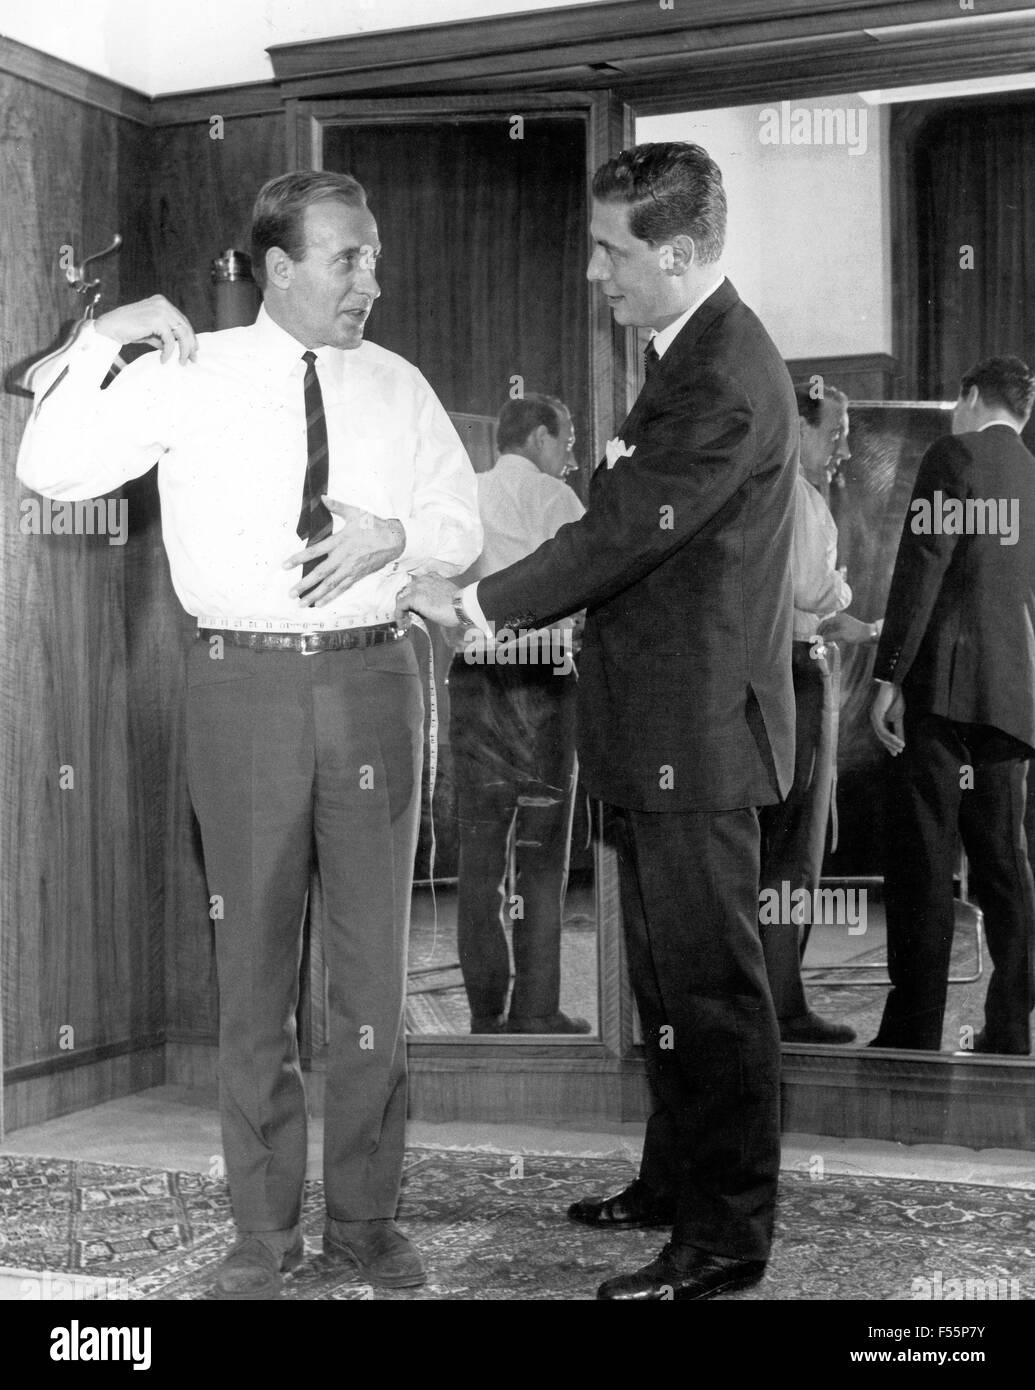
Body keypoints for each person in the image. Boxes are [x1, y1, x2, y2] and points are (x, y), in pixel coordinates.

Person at [16, 170, 481, 1297]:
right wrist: (106, 335)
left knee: (374, 982)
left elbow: (461, 530)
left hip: (376, 680)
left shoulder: (401, 386)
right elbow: (49, 463)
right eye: (348, 258)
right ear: (278, 268)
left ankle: (367, 1228)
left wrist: (400, 539)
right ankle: (262, 1240)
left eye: (373, 256)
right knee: (254, 981)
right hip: (240, 689)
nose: (373, 278)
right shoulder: (194, 373)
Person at [399, 142, 798, 1302]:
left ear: (678, 254)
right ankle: (676, 1184)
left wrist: (474, 603)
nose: (594, 270)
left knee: (714, 994)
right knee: (669, 989)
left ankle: (726, 1238)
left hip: (702, 735)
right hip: (659, 728)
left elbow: (619, 533)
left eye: (614, 249)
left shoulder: (723, 372)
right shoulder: (686, 354)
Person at [869, 355, 1035, 1054]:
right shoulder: (1030, 472)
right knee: (1004, 865)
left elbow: (922, 564)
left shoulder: (950, 454)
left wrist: (888, 676)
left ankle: (912, 1032)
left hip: (939, 690)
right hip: (1011, 694)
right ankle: (1008, 1027)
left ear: (969, 398)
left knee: (925, 865)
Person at [449, 393, 589, 1035]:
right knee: (540, 852)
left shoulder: (462, 492)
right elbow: (586, 584)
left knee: (479, 855)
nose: (571, 456)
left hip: (475, 681)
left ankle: (484, 1012)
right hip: (545, 681)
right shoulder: (557, 501)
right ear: (537, 438)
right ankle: (534, 1008)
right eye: (565, 442)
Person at [759, 383, 881, 1045]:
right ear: (801, 428)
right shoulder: (801, 499)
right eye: (834, 433)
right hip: (798, 675)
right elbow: (816, 591)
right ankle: (783, 1006)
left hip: (764, 670)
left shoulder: (756, 489)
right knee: (794, 850)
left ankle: (767, 998)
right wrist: (845, 606)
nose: (842, 448)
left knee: (770, 842)